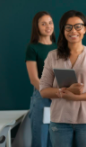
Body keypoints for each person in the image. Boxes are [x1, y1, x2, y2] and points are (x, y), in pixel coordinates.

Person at [39, 10, 86, 147]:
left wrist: (76, 97)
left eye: (78, 26)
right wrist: (63, 91)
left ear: (85, 29)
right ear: (63, 30)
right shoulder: (53, 56)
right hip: (60, 120)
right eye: (68, 27)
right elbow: (44, 90)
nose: (73, 31)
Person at [25, 11, 56, 147]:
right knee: (41, 141)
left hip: (59, 97)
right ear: (36, 27)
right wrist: (49, 93)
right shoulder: (32, 48)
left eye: (50, 22)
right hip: (42, 97)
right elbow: (34, 79)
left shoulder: (59, 47)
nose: (48, 26)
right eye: (43, 24)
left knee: (55, 140)